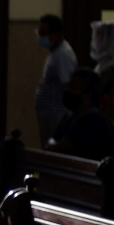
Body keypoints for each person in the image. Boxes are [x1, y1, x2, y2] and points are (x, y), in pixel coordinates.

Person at [47, 68, 113, 160]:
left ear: (88, 94)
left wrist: (52, 145)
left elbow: (63, 146)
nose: (67, 90)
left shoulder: (94, 120)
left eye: (73, 88)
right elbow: (54, 139)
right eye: (68, 86)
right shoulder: (69, 115)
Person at [34, 14, 77, 148]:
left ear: (56, 34)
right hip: (49, 113)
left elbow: (69, 85)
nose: (40, 37)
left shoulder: (63, 54)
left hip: (56, 115)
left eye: (43, 34)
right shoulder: (55, 52)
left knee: (52, 150)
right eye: (39, 33)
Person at [88, 20, 114, 114]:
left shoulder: (113, 69)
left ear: (109, 40)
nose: (95, 42)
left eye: (98, 38)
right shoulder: (104, 63)